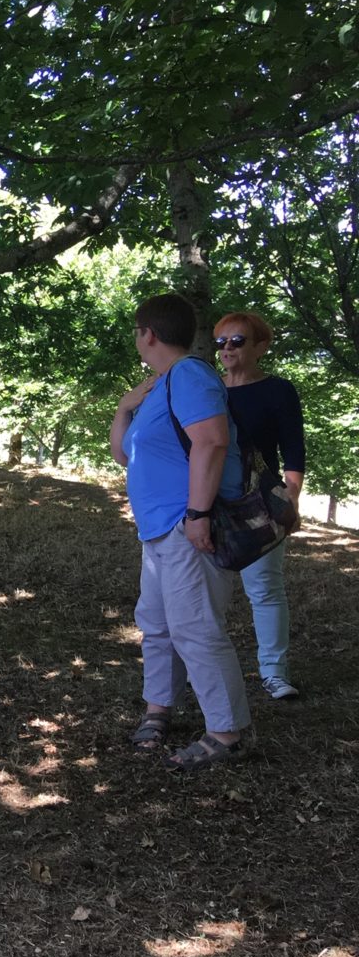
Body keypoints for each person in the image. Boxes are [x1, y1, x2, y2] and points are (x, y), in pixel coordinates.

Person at [109, 292, 251, 771]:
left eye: (136, 331)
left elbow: (211, 442)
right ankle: (158, 710)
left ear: (148, 333)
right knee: (157, 624)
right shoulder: (160, 386)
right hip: (158, 531)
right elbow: (127, 454)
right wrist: (125, 407)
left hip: (185, 524)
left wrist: (198, 515)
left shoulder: (189, 374)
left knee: (196, 627)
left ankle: (226, 733)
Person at [215, 310, 306, 700]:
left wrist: (289, 500)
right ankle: (206, 668)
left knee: (265, 588)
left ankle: (274, 672)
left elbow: (294, 450)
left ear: (260, 346)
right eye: (221, 342)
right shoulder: (210, 391)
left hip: (259, 500)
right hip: (210, 500)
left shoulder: (278, 390)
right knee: (207, 591)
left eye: (237, 341)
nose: (227, 349)